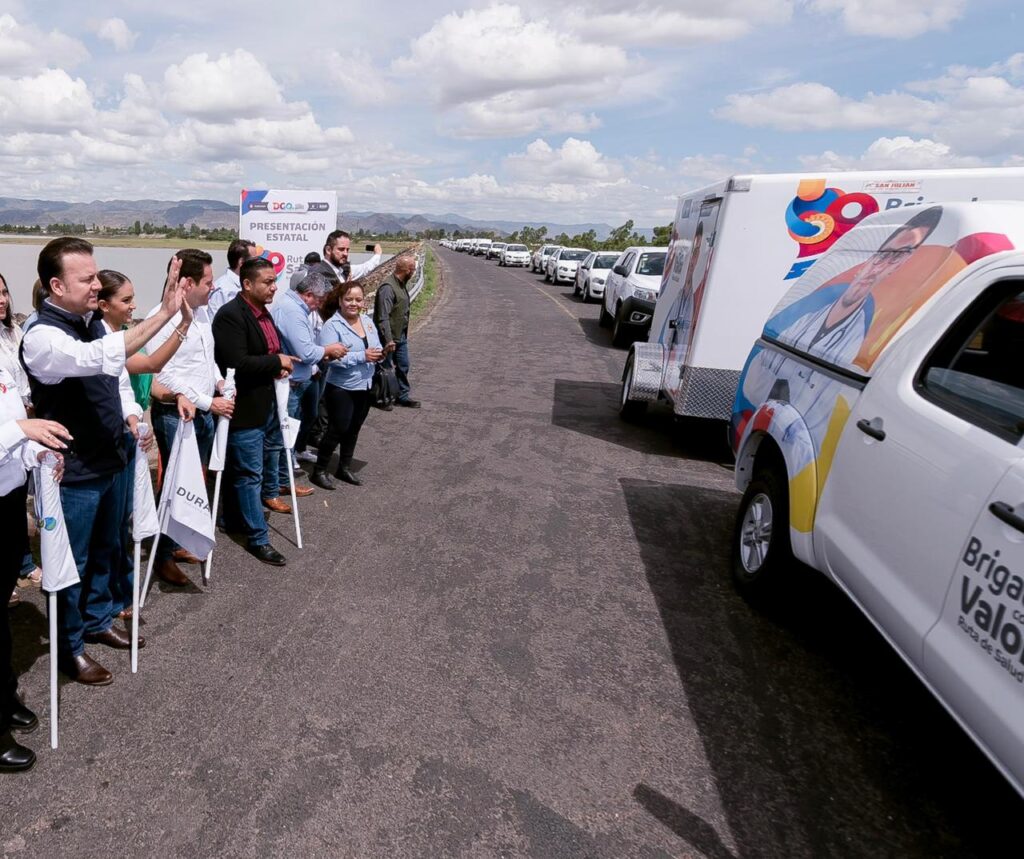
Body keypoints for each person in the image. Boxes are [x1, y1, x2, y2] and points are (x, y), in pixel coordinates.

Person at [21, 237, 187, 685]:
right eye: (87, 278)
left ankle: (97, 618)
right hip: (73, 471)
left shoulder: (93, 321)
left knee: (106, 550)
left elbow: (114, 379)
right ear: (56, 285)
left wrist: (131, 415)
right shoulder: (42, 336)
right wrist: (165, 313)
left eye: (97, 276)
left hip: (111, 458)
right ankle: (69, 645)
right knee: (68, 562)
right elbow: (95, 359)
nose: (97, 284)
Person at [96, 266, 195, 601]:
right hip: (117, 434)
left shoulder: (124, 334)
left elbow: (149, 379)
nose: (133, 306)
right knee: (113, 525)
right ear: (103, 304)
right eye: (126, 300)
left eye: (134, 298)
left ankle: (120, 589)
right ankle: (110, 594)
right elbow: (151, 365)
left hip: (133, 428)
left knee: (124, 517)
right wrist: (180, 323)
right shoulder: (105, 342)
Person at [142, 250, 238, 586]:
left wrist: (219, 382)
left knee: (196, 481)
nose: (213, 287)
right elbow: (161, 373)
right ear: (187, 282)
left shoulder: (201, 313)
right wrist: (207, 402)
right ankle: (161, 553)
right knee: (174, 484)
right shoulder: (161, 318)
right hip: (176, 415)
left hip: (205, 411)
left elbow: (205, 358)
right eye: (208, 282)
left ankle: (182, 538)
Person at [0, 358, 72, 771]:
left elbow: (14, 426)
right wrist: (20, 431)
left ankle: (4, 695)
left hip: (6, 498)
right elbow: (13, 427)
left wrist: (36, 451)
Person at [212, 257, 295, 566]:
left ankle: (232, 519)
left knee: (243, 470)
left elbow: (267, 353)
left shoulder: (263, 314)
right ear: (247, 284)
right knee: (249, 474)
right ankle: (258, 538)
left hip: (265, 404)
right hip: (243, 409)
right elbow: (238, 362)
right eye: (267, 282)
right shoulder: (231, 316)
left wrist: (277, 367)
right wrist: (278, 363)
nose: (274, 287)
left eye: (274, 281)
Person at [271, 270, 347, 490]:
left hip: (296, 380)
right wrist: (328, 349)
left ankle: (283, 480)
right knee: (283, 437)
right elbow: (305, 352)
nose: (318, 306)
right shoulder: (292, 311)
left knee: (288, 435)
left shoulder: (293, 307)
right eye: (319, 300)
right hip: (291, 383)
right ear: (308, 295)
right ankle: (281, 483)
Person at [311, 280, 383, 490]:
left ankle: (344, 467)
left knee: (354, 429)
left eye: (358, 299)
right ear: (340, 301)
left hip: (365, 383)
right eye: (349, 299)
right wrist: (362, 356)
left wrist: (380, 352)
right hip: (342, 387)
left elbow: (375, 345)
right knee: (337, 428)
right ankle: (320, 470)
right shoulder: (332, 326)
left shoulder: (367, 322)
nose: (354, 303)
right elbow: (331, 358)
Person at [0, 273, 42, 607]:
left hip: (16, 450)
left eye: (3, 292)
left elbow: (19, 386)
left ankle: (20, 564)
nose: (1, 299)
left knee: (14, 510)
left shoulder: (13, 333)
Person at [373, 254, 419, 408]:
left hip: (400, 336)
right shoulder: (388, 288)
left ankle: (402, 395)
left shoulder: (401, 284)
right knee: (384, 369)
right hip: (387, 338)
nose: (413, 273)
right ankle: (382, 398)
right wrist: (388, 339)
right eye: (413, 269)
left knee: (403, 365)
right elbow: (382, 317)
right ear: (407, 270)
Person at [207, 239, 258, 318]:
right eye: (254, 260)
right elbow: (216, 324)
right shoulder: (222, 290)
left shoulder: (248, 285)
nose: (258, 264)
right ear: (241, 262)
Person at [310, 230, 382, 286]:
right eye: (341, 249)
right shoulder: (318, 273)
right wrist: (346, 289)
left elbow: (365, 268)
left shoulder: (343, 270)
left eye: (347, 250)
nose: (345, 253)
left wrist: (377, 254)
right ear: (328, 250)